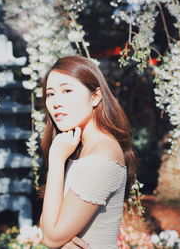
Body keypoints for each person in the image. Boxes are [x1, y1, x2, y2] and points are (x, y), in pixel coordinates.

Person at [39, 56, 137, 249]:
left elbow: (51, 237)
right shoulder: (81, 148)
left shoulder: (102, 155)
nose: (56, 102)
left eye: (67, 91)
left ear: (95, 96)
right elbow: (47, 226)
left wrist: (57, 159)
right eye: (50, 94)